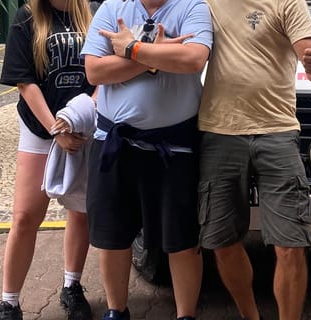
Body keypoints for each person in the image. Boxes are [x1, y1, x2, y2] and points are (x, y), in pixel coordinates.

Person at [80, 0, 212, 319]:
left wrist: (129, 49)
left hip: (175, 148)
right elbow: (95, 71)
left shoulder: (194, 7)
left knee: (181, 239)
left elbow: (193, 59)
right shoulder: (113, 7)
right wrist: (155, 56)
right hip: (114, 144)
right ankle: (116, 311)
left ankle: (185, 315)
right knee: (113, 236)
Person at [197, 1, 311, 319]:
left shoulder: (287, 2)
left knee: (291, 243)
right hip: (219, 132)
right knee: (221, 240)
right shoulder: (203, 3)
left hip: (278, 132)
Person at [0, 0, 95, 319]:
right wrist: (56, 128)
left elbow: (105, 76)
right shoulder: (27, 16)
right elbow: (25, 82)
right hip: (41, 128)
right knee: (26, 216)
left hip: (82, 127)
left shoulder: (94, 11)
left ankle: (72, 286)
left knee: (80, 212)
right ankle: (9, 302)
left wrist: (80, 118)